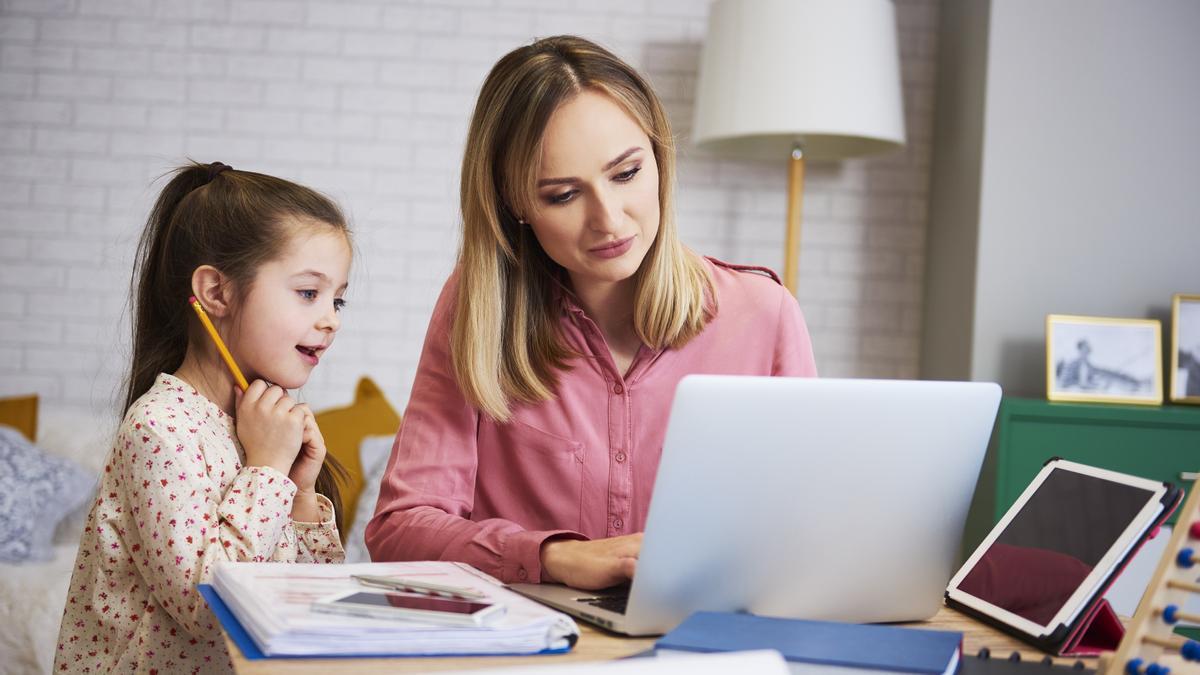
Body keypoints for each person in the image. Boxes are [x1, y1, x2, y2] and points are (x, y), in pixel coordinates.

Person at [366, 35, 817, 591]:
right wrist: (553, 558)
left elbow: (805, 529)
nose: (608, 220)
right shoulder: (477, 308)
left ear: (659, 160)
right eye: (562, 195)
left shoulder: (763, 314)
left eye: (626, 174)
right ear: (516, 207)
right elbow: (399, 528)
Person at [55, 161, 351, 674]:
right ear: (216, 293)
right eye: (309, 292)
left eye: (339, 299)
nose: (330, 319)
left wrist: (299, 491)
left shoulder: (256, 427)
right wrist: (266, 472)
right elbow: (208, 609)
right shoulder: (161, 429)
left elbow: (305, 608)